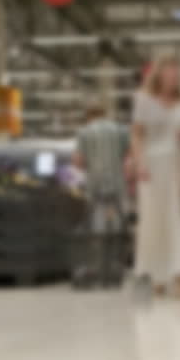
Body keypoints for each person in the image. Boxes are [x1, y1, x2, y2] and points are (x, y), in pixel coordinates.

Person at [129, 54, 180, 298]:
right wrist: (140, 164)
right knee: (153, 221)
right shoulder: (143, 100)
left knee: (178, 221)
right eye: (169, 70)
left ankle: (179, 274)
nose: (174, 75)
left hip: (177, 167)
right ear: (158, 73)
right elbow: (137, 135)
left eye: (177, 71)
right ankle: (158, 275)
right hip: (151, 167)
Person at [72, 102, 129, 287]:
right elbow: (128, 155)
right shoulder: (120, 130)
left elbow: (78, 162)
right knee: (116, 225)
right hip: (116, 187)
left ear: (89, 116)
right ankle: (115, 268)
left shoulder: (84, 132)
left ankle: (96, 269)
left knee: (96, 228)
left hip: (95, 188)